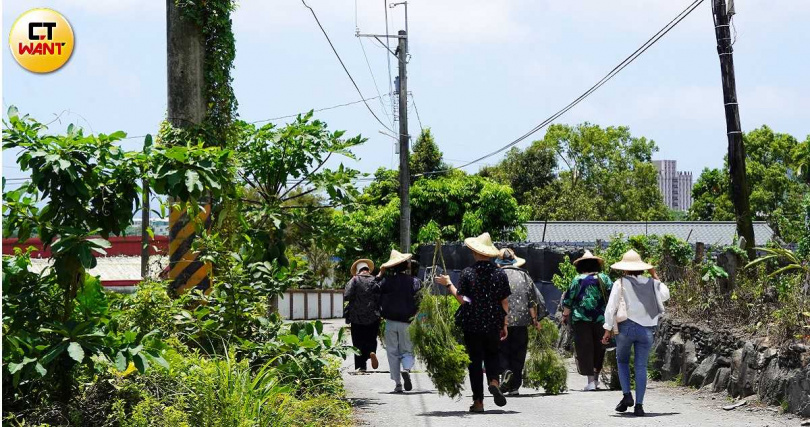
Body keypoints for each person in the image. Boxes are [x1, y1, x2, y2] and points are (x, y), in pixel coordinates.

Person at [437, 233, 511, 413]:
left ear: (474, 252)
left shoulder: (467, 273)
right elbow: (505, 302)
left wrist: (448, 285)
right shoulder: (500, 274)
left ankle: (478, 402)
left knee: (475, 363)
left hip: (472, 324)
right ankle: (494, 381)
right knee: (493, 354)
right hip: (493, 322)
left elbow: (463, 300)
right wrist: (505, 323)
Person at [602, 250, 670, 417]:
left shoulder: (620, 283)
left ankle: (627, 395)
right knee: (641, 366)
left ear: (624, 269)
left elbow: (611, 308)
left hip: (626, 327)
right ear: (642, 268)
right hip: (647, 329)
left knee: (623, 361)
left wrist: (607, 329)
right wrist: (655, 275)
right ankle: (639, 406)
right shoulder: (652, 283)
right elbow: (665, 295)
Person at [495, 248, 546, 396]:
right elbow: (532, 301)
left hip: (501, 321)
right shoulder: (524, 276)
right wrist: (535, 320)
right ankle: (515, 386)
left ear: (499, 263)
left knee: (502, 350)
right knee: (518, 353)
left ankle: (505, 372)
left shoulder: (497, 275)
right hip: (522, 322)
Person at [562, 250, 612, 391]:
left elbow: (569, 300)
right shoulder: (604, 278)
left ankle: (590, 381)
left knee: (585, 348)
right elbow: (613, 296)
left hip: (581, 319)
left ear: (581, 265)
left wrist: (565, 316)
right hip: (601, 318)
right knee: (599, 347)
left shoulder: (577, 280)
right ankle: (595, 379)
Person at [377, 249, 421, 393]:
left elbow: (373, 289)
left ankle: (397, 384)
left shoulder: (386, 281)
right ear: (406, 266)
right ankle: (406, 369)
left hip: (390, 321)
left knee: (392, 352)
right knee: (407, 350)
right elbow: (420, 300)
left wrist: (381, 273)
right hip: (407, 322)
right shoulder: (415, 282)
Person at [344, 258, 381, 372]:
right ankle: (371, 352)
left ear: (358, 270)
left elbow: (347, 295)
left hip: (357, 317)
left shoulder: (354, 280)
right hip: (373, 316)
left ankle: (361, 367)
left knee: (358, 341)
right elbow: (380, 295)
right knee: (371, 338)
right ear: (368, 270)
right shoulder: (375, 280)